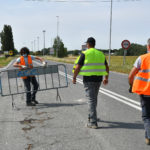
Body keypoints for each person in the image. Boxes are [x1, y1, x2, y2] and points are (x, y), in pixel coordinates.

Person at [72, 37, 109, 129]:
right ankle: (92, 116)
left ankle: (93, 122)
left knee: (91, 100)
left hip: (89, 80)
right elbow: (106, 67)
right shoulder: (101, 53)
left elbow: (78, 67)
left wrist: (74, 77)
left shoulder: (85, 53)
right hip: (98, 79)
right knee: (94, 98)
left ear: (88, 44)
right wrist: (106, 78)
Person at [128, 38, 150, 145]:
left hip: (145, 92)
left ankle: (149, 136)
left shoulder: (141, 58)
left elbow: (131, 75)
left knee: (146, 116)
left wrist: (131, 85)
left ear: (148, 46)